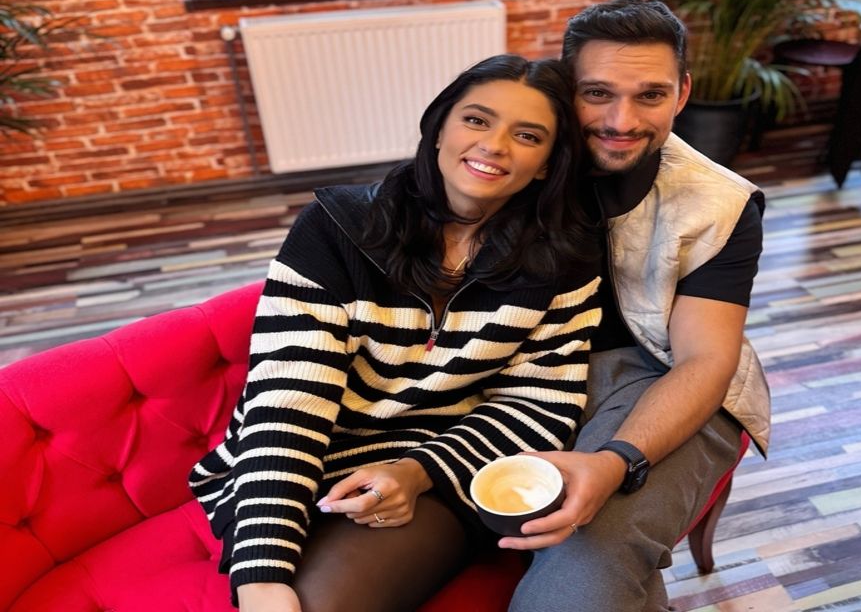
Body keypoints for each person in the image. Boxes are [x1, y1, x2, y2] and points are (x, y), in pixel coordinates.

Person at [188, 54, 602, 612]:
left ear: (548, 164)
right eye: (476, 120)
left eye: (527, 135)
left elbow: (541, 402)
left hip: (436, 466)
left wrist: (417, 472)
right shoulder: (337, 226)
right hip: (304, 453)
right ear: (439, 129)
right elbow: (289, 395)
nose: (494, 145)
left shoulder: (564, 260)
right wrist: (261, 569)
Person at [503, 0, 771, 611]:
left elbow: (705, 360)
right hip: (529, 373)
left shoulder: (720, 203)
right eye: (597, 94)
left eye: (650, 95)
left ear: (682, 93)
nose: (621, 121)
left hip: (670, 380)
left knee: (593, 552)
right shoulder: (512, 159)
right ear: (565, 88)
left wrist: (616, 461)